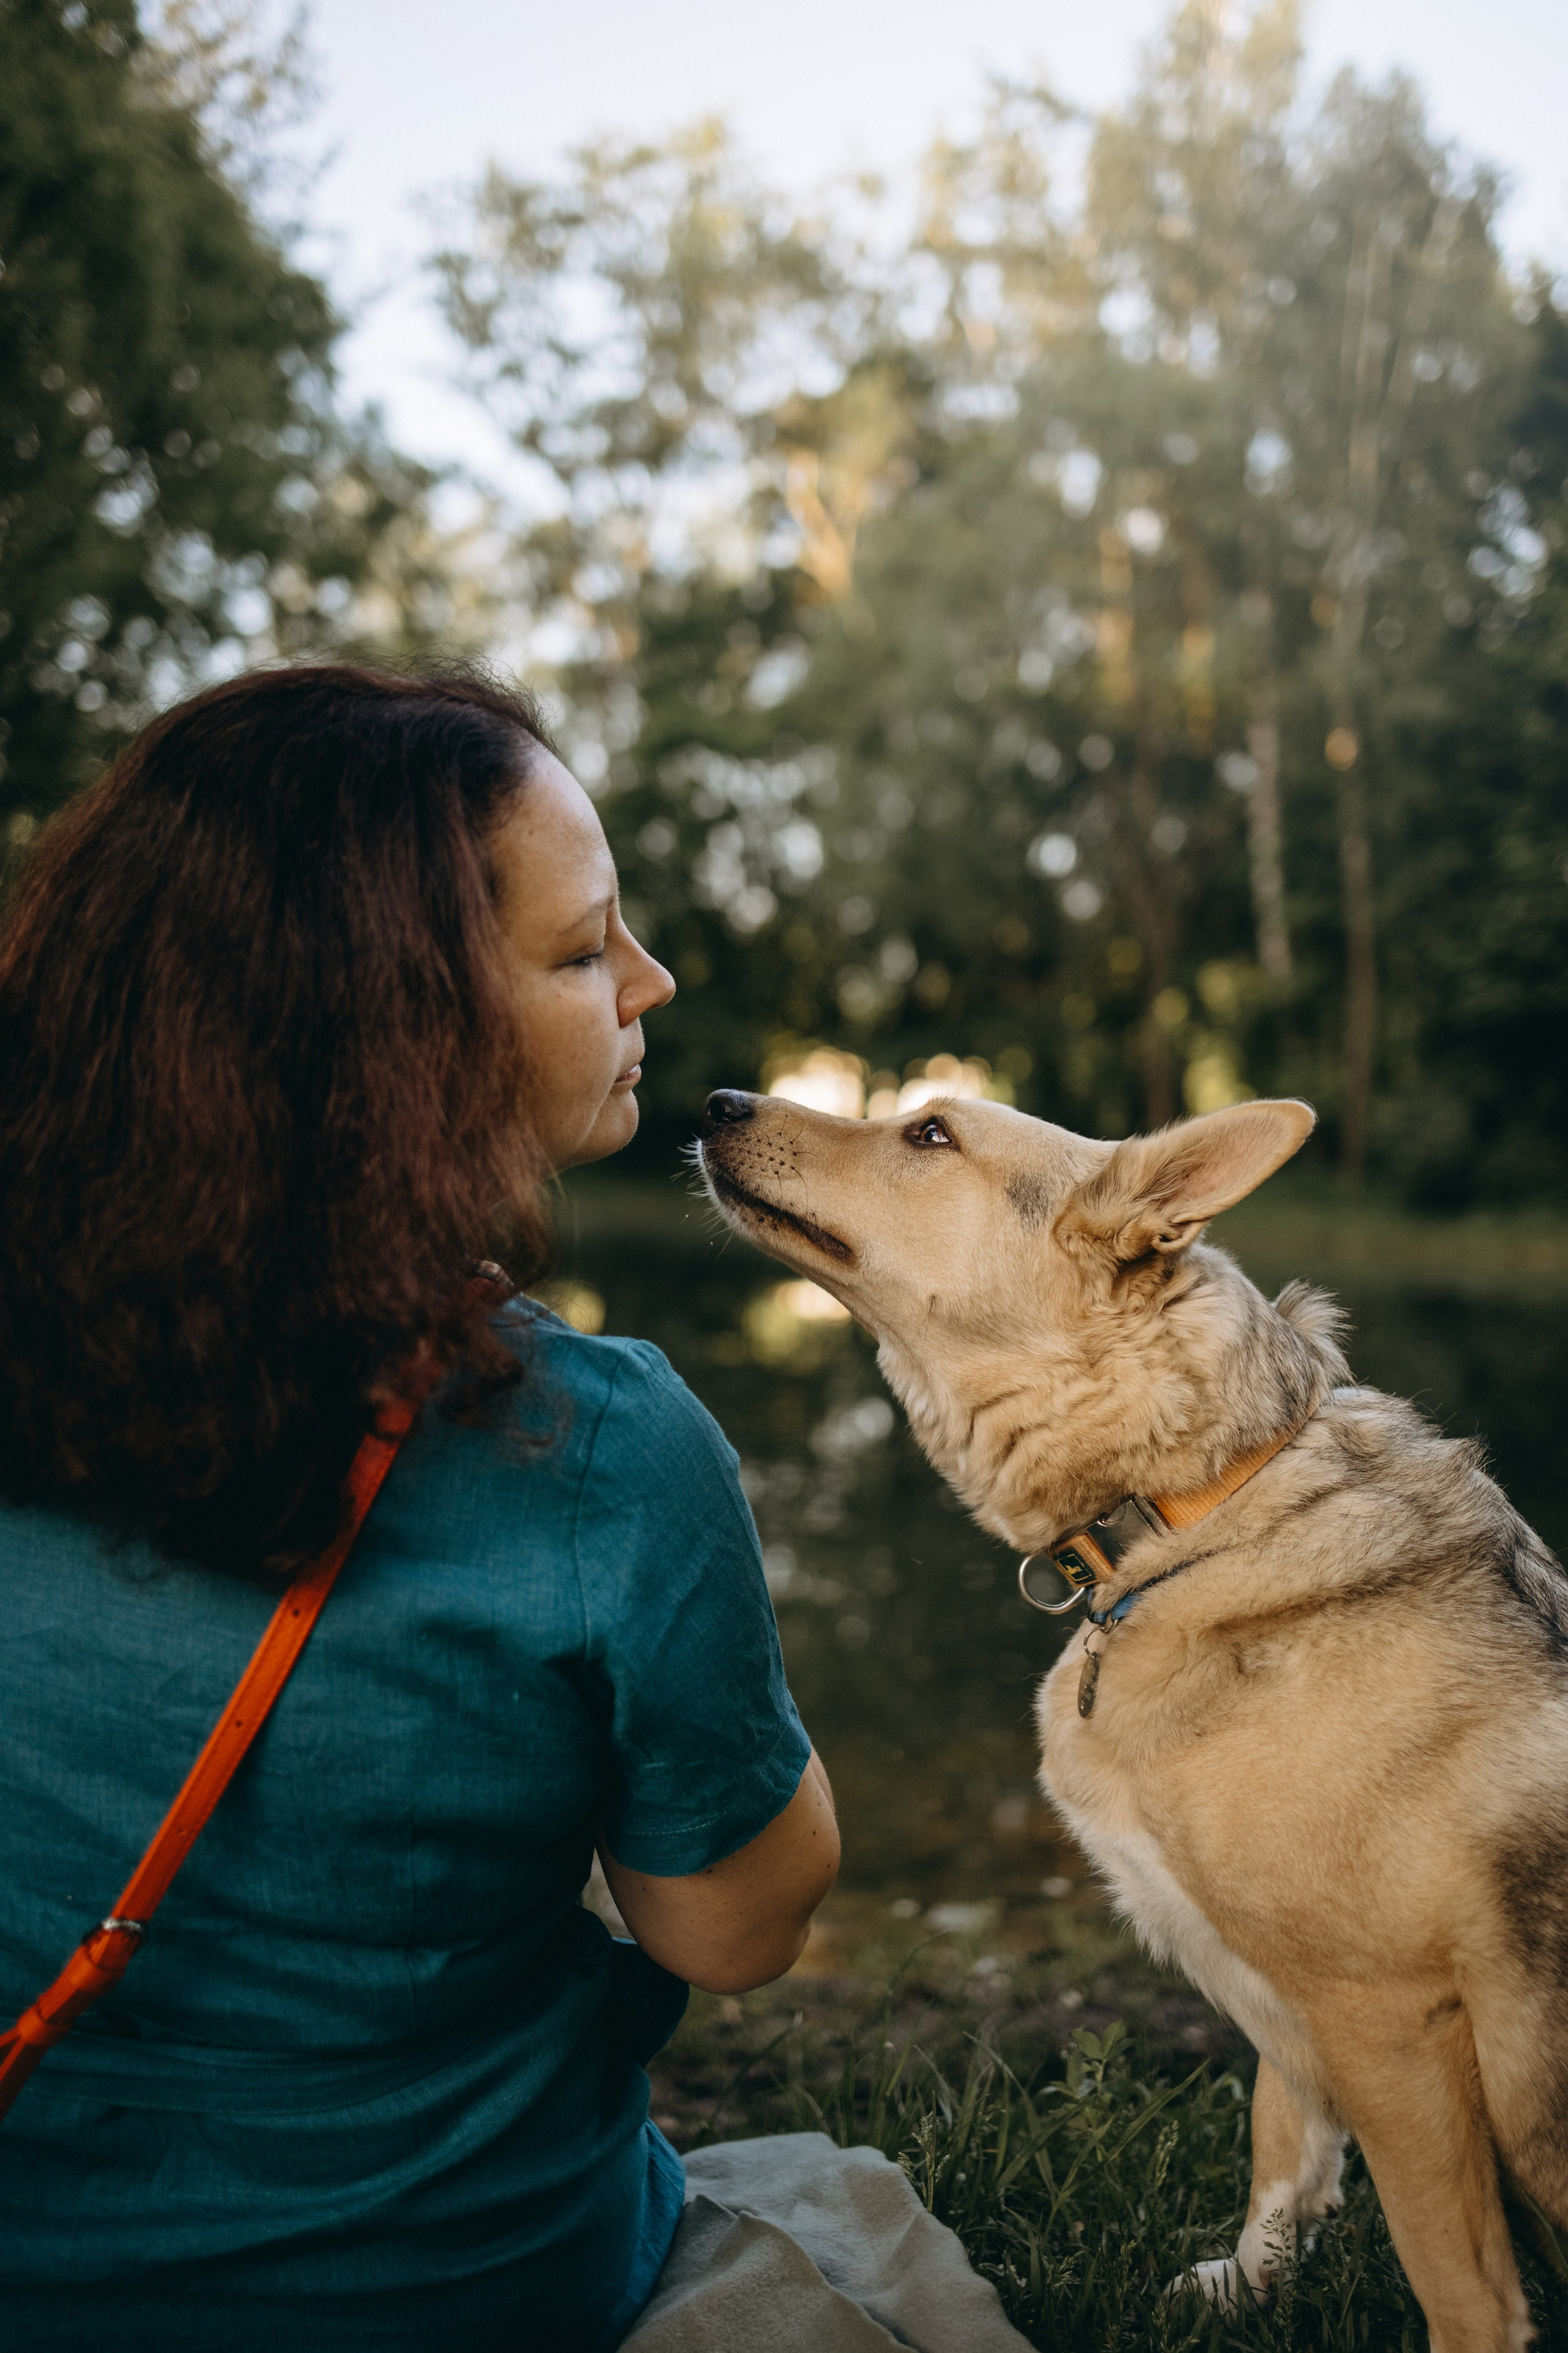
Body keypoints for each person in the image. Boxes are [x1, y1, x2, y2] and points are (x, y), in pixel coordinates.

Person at [0, 665, 839, 2351]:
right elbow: (738, 1923)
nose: (651, 981)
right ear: (399, 1030)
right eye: (584, 948)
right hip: (454, 2286)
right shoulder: (603, 1447)